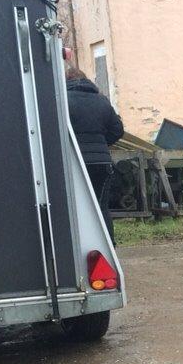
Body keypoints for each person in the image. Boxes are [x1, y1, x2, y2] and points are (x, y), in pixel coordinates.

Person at [65, 65, 124, 243]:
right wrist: (100, 144)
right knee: (101, 207)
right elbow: (118, 130)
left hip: (74, 163)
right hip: (101, 163)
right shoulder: (102, 101)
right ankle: (108, 247)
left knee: (76, 207)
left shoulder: (63, 101)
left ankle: (81, 246)